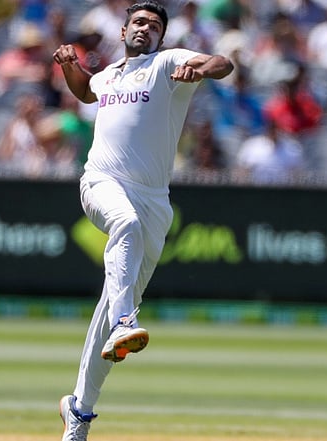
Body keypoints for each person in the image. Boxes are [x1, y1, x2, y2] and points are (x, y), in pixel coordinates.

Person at [52, 1, 233, 439]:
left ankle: (79, 409)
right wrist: (69, 66)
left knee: (111, 304)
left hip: (154, 200)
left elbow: (222, 63)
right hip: (101, 181)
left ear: (161, 37)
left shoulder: (168, 62)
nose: (144, 28)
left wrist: (199, 69)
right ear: (123, 31)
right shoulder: (109, 74)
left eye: (153, 25)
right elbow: (86, 91)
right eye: (138, 22)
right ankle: (125, 321)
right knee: (125, 226)